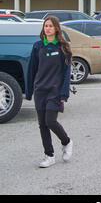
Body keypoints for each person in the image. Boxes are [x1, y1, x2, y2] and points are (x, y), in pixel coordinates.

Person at [26, 16, 73, 168]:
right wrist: (29, 91)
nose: (47, 28)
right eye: (45, 26)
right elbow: (31, 69)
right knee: (42, 124)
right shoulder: (37, 46)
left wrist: (64, 93)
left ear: (56, 29)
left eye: (51, 26)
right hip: (40, 90)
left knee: (50, 121)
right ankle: (49, 155)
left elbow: (66, 73)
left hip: (55, 91)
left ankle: (67, 142)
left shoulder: (62, 47)